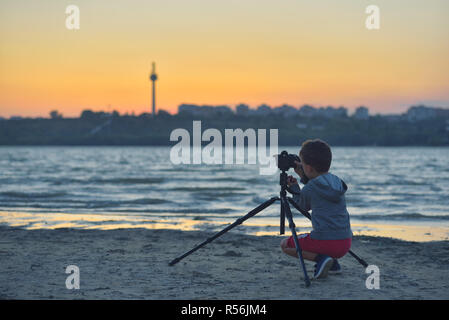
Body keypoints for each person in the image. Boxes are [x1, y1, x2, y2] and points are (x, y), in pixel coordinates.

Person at [280, 139, 352, 279]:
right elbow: (318, 188)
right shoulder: (336, 181)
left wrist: (294, 188)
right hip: (345, 242)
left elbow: (301, 206)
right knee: (327, 239)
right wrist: (303, 176)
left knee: (285, 245)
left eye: (302, 162)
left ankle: (322, 259)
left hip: (325, 242)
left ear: (308, 168)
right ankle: (333, 264)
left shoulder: (311, 188)